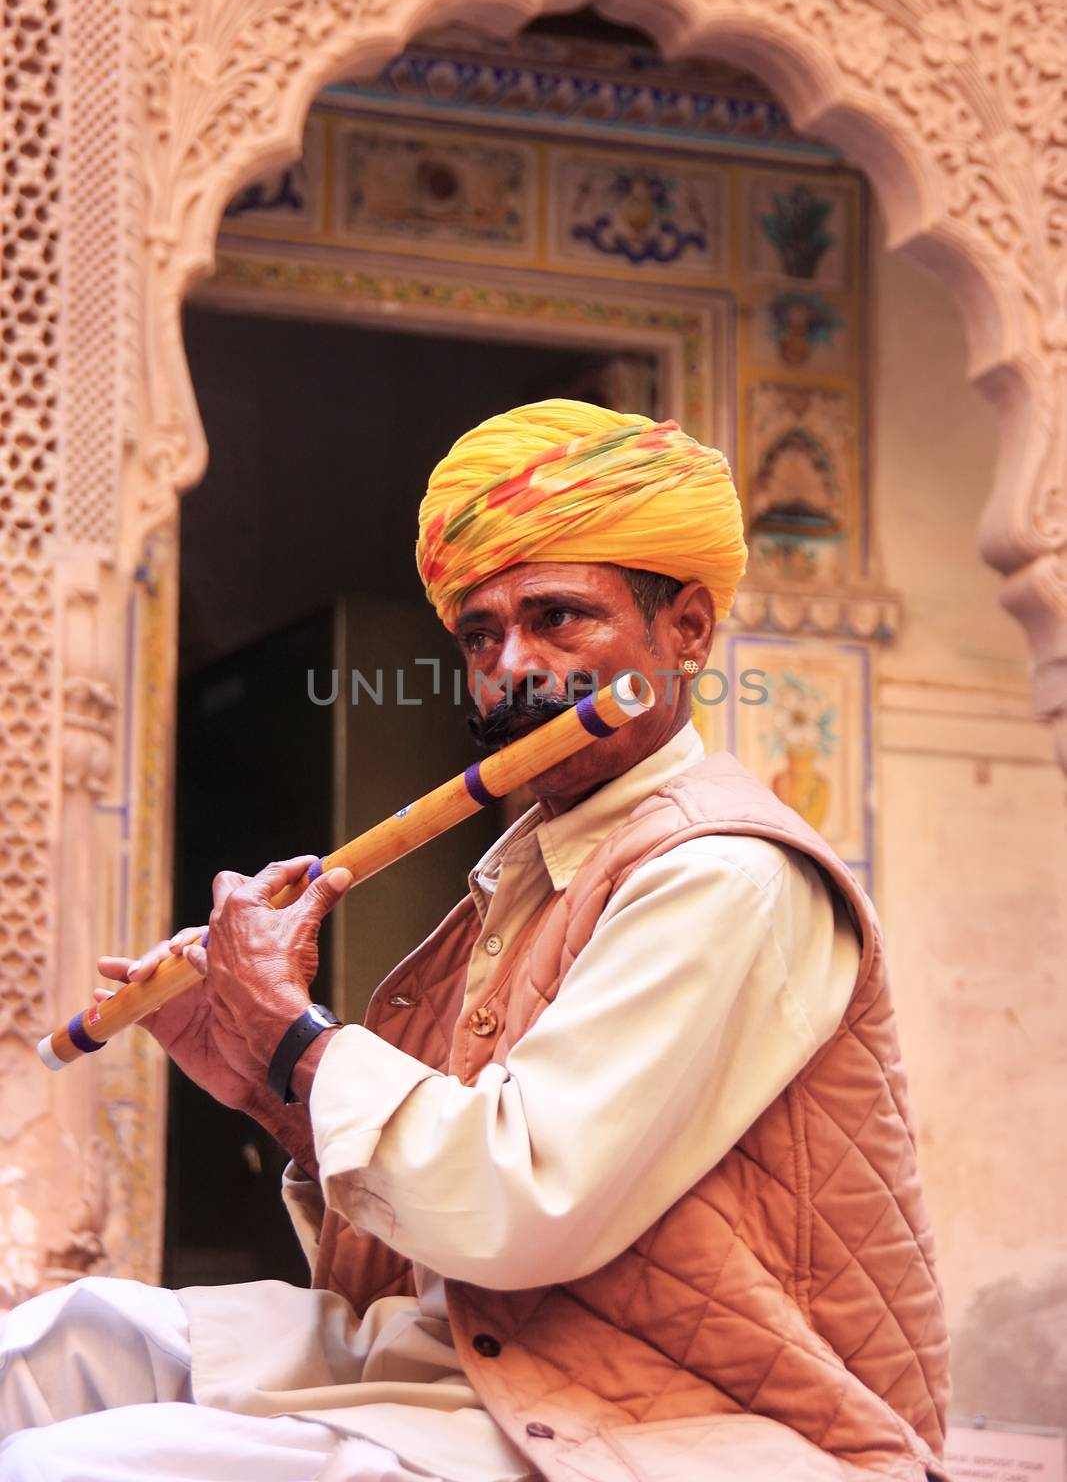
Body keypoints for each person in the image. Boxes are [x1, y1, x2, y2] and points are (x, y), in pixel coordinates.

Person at [0, 400, 951, 1482]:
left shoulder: (721, 874)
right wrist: (270, 1086)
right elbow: (443, 1211)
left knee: (69, 1466)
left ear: (685, 627)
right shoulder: (532, 868)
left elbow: (515, 1203)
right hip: (488, 1362)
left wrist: (291, 1035)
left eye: (557, 618)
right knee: (55, 1344)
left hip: (671, 1417)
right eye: (481, 635)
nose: (515, 667)